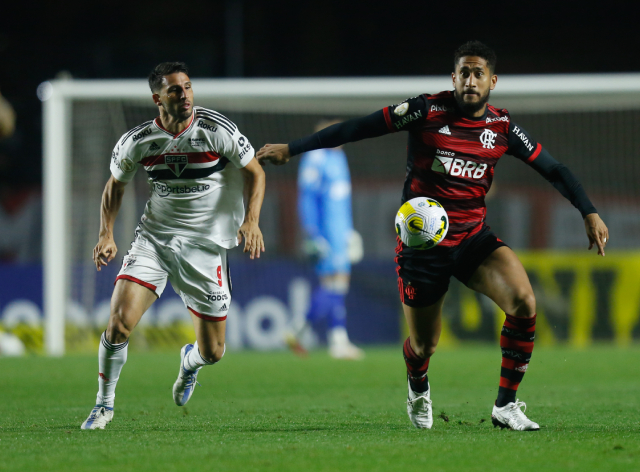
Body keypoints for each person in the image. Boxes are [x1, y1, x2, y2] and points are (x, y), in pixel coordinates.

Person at [257, 41, 609, 431]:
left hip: (473, 239)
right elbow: (359, 128)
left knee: (524, 302)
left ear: (492, 80)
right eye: (464, 72)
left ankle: (505, 405)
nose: (470, 80)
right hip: (422, 247)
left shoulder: (502, 128)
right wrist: (293, 149)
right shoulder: (426, 110)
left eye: (478, 73)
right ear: (453, 77)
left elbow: (554, 169)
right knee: (425, 345)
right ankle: (418, 386)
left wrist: (588, 210)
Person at [82, 62, 266, 430]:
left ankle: (189, 363)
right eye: (174, 90)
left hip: (205, 246)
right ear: (157, 99)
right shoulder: (138, 141)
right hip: (155, 239)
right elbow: (114, 185)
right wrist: (106, 233)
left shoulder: (216, 129)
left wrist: (251, 220)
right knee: (118, 324)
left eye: (187, 87)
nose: (184, 95)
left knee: (213, 352)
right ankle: (104, 406)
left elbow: (255, 171)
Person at [286, 119, 364, 360]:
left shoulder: (339, 158)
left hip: (340, 231)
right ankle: (298, 330)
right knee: (336, 285)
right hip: (326, 233)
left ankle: (336, 340)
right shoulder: (315, 159)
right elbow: (306, 199)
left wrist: (349, 231)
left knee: (335, 286)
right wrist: (313, 234)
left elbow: (341, 200)